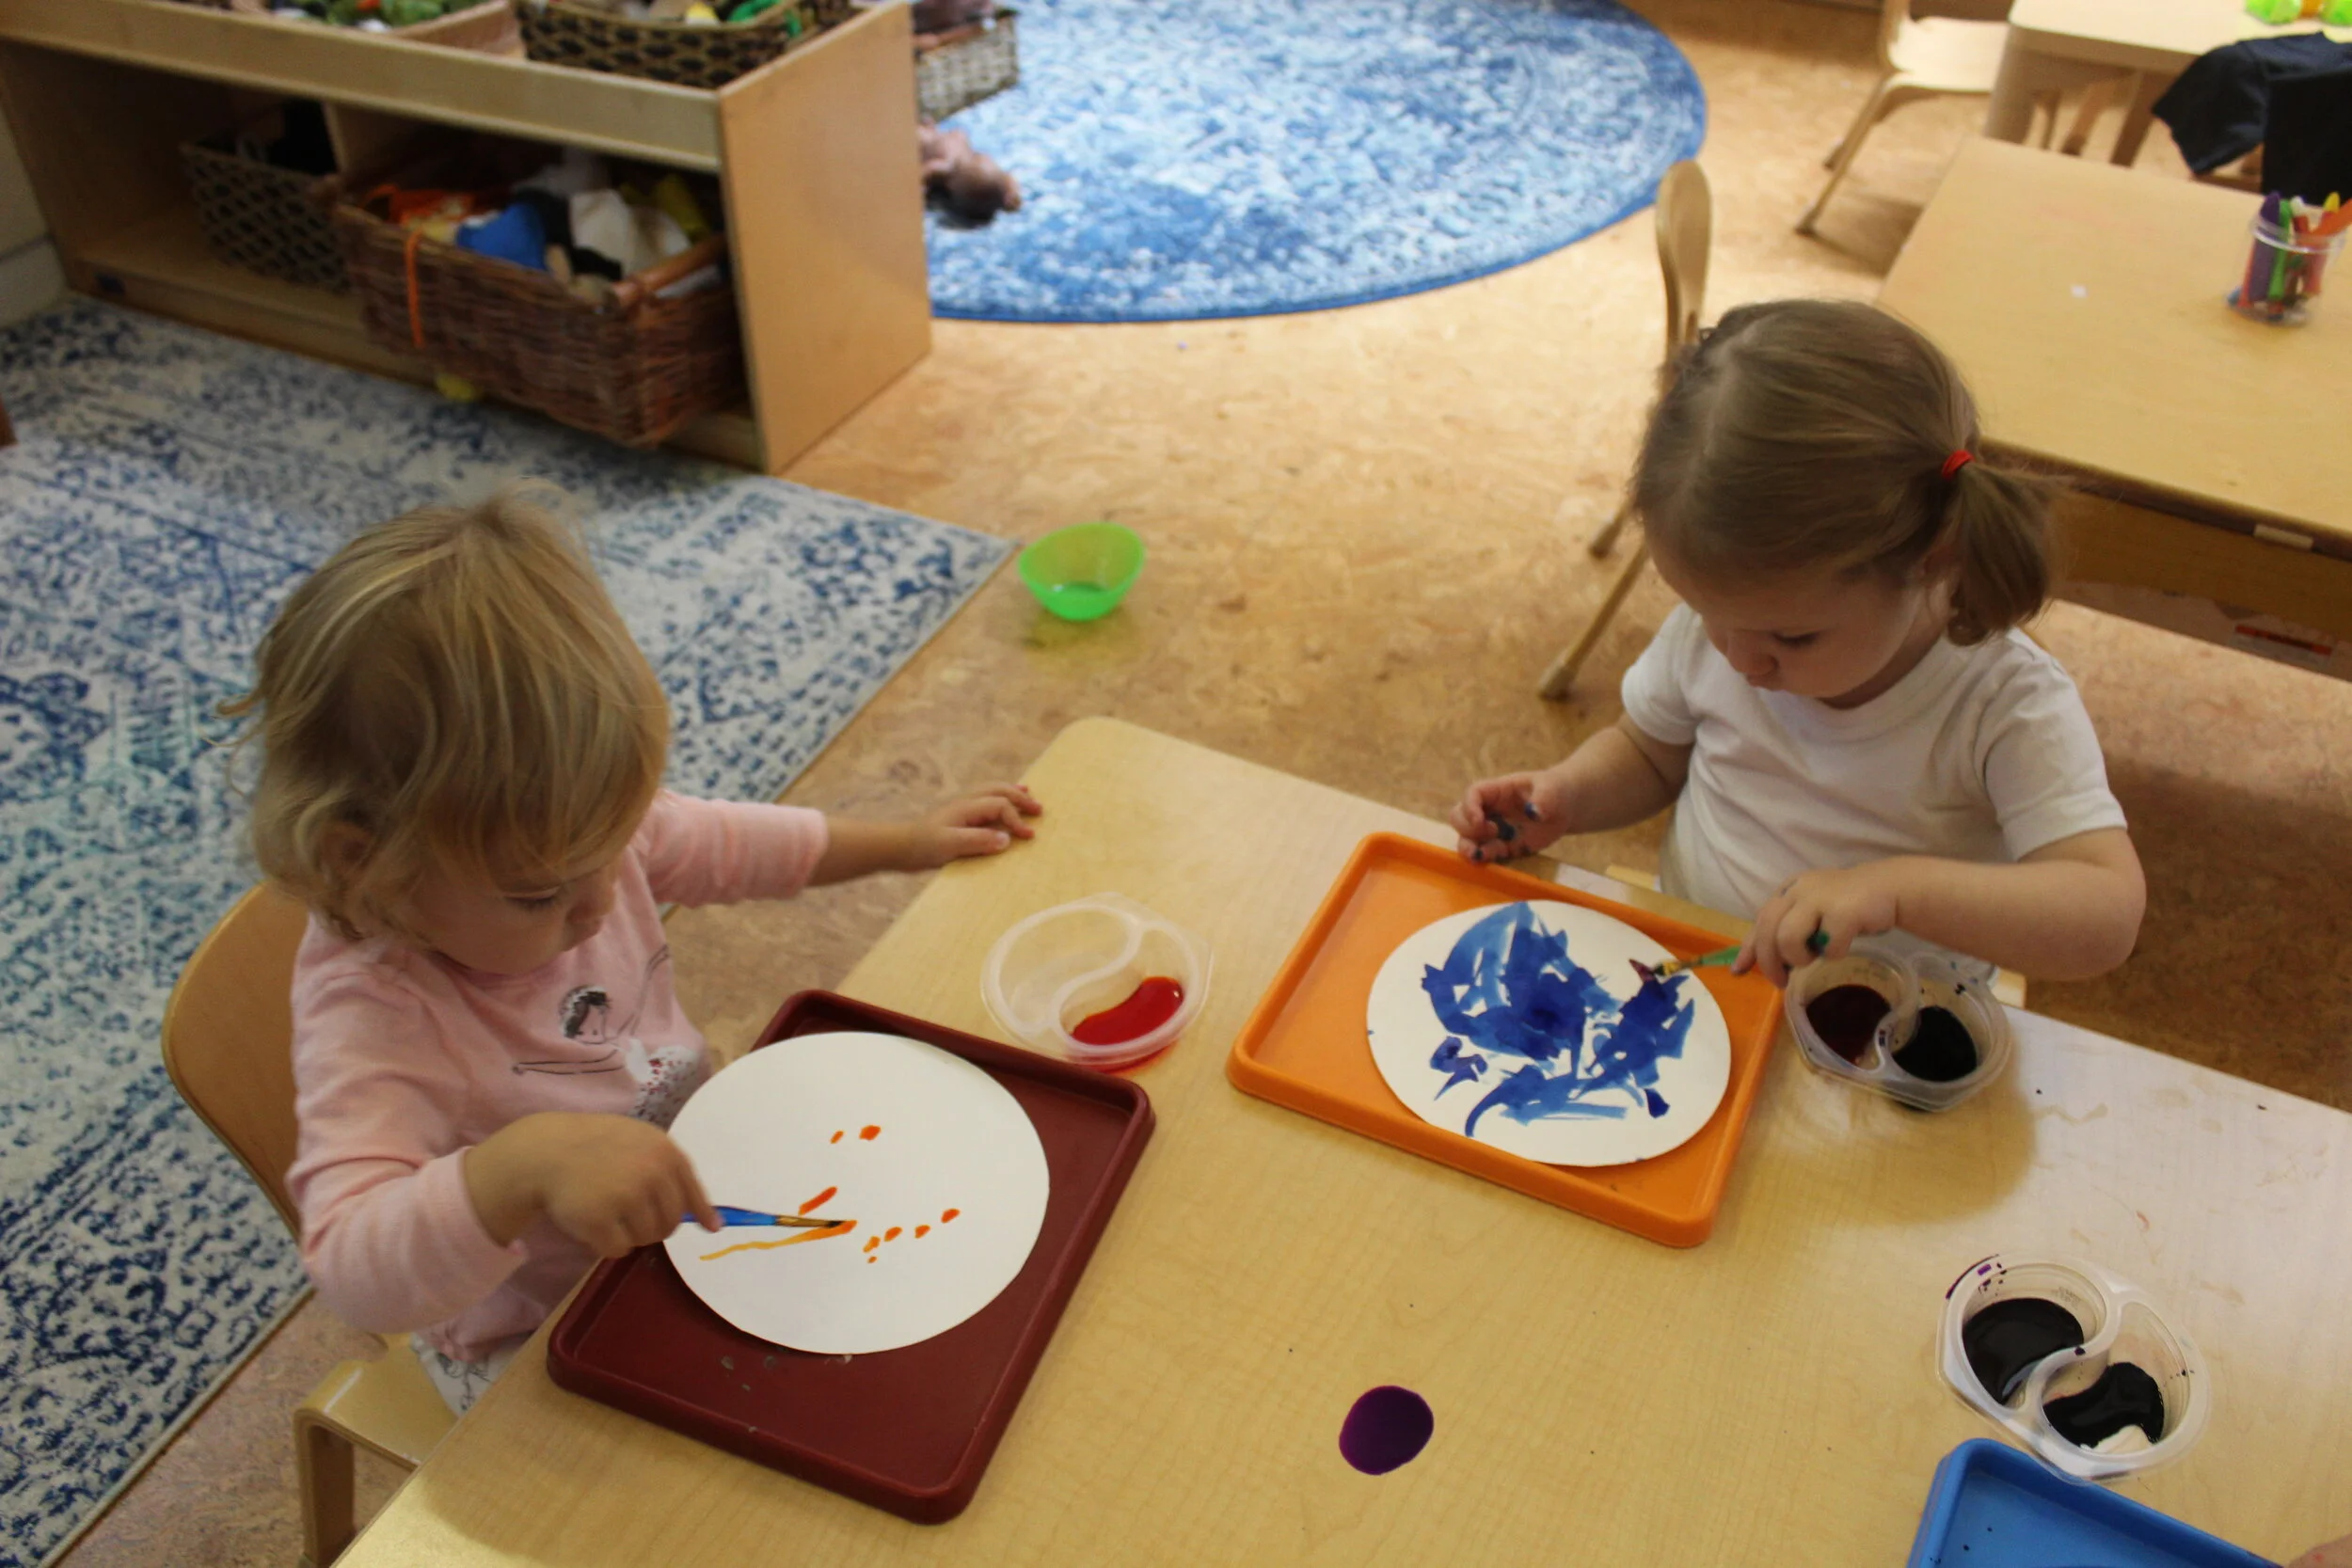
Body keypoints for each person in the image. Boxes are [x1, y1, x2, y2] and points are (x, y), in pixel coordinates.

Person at [225, 488, 1040, 1412]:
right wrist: (515, 1168)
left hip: (687, 1201)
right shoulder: (378, 1010)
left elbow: (729, 842)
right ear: (365, 863)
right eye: (541, 893)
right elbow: (350, 1267)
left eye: (610, 855)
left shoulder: (572, 837)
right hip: (533, 1330)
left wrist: (899, 840)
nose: (601, 902)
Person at [1453, 299, 2144, 985]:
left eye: (1793, 636)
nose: (1740, 659)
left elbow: (2105, 912)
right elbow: (1650, 752)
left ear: (1932, 555)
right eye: (1703, 611)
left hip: (1879, 1033)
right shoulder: (1727, 625)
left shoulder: (2003, 702)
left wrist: (1896, 891)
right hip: (1698, 975)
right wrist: (1570, 794)